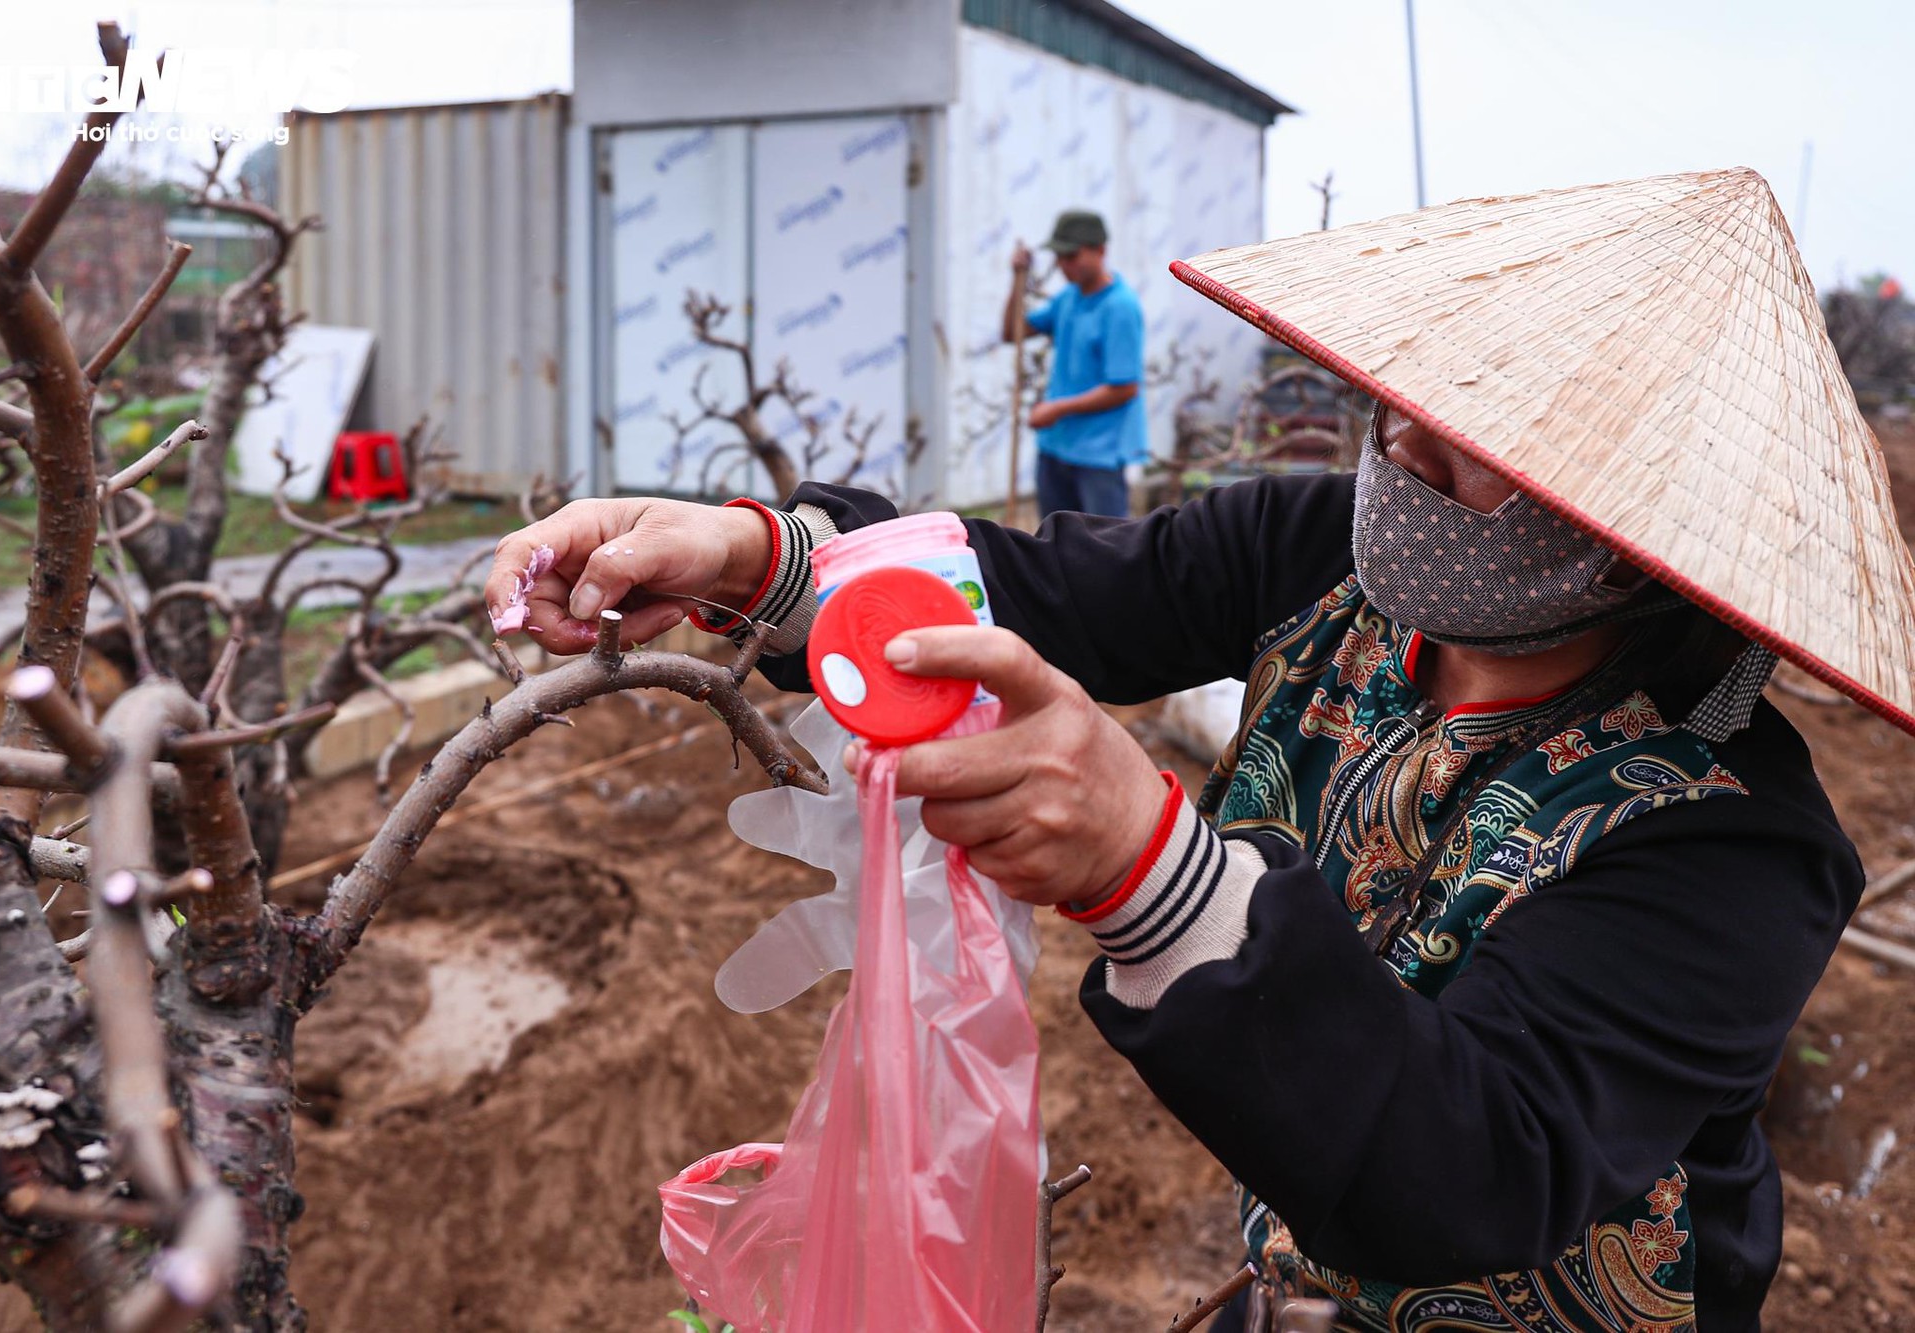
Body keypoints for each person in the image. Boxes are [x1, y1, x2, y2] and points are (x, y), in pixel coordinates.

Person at [488, 168, 1911, 1333]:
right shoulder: (1317, 561)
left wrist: (1154, 871)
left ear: (1625, 531)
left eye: (1479, 439)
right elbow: (1052, 588)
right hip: (1304, 1261)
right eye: (1402, 396)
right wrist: (757, 556)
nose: (1401, 445)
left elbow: (1477, 1169)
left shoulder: (1732, 837)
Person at [1003, 209, 1148, 518]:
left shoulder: (1119, 307)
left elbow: (1123, 388)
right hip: (1056, 448)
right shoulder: (1068, 299)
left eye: (1072, 255)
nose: (1064, 265)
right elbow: (1012, 332)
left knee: (1105, 550)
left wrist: (1056, 409)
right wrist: (1018, 280)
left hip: (1099, 455)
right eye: (1060, 257)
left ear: (1100, 250)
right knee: (1054, 550)